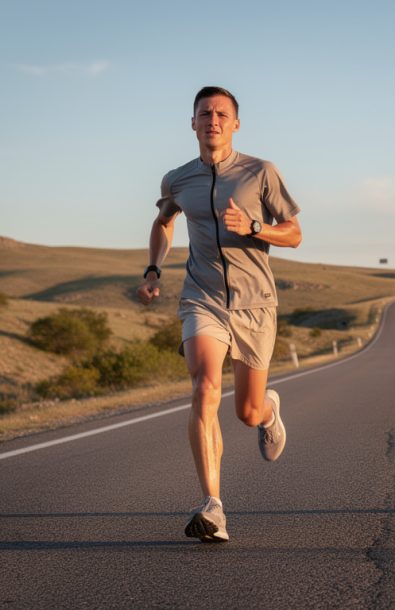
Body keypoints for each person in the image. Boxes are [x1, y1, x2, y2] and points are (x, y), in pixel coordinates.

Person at [137, 86, 302, 542]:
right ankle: (213, 506)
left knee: (246, 411)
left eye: (221, 114)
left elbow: (294, 233)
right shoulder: (178, 180)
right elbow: (163, 222)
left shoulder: (260, 172)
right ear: (192, 123)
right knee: (205, 387)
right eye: (204, 113)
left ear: (235, 124)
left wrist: (254, 227)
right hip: (202, 297)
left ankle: (268, 412)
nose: (213, 120)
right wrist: (153, 268)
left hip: (255, 304)